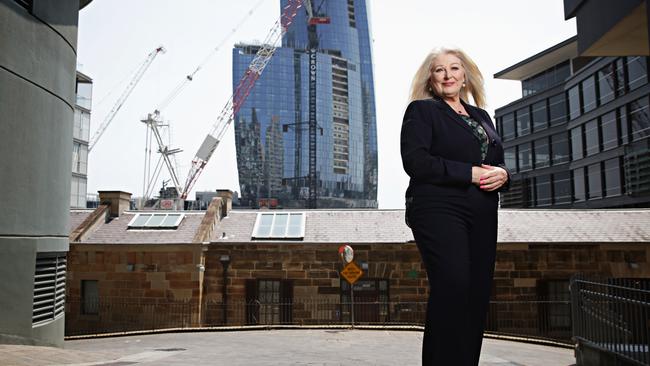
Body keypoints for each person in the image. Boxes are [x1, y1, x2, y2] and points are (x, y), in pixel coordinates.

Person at [400, 47, 510, 365]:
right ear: (431, 79)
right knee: (453, 285)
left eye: (454, 68)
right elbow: (416, 162)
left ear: (464, 76)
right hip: (438, 207)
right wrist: (470, 173)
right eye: (439, 70)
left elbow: (497, 161)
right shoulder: (422, 111)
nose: (448, 75)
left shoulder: (482, 117)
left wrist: (504, 174)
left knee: (476, 295)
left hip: (482, 212)